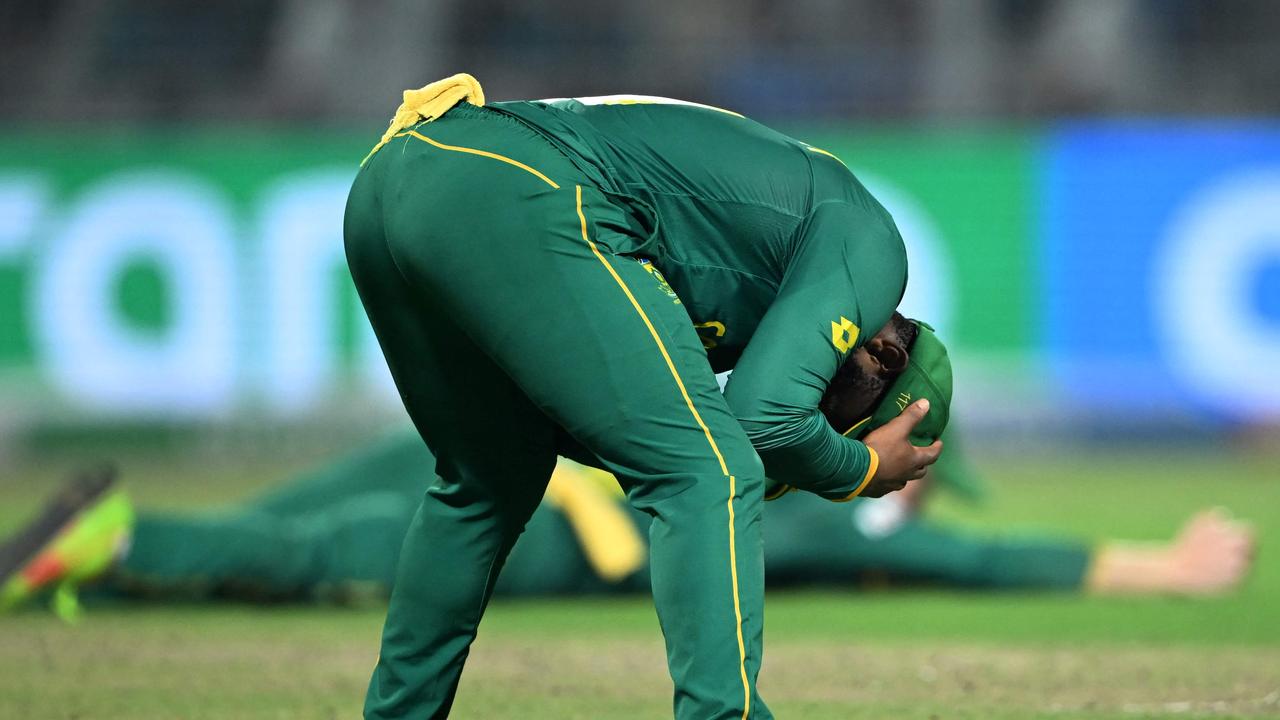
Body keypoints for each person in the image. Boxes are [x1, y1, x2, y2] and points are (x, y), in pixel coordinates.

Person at [340, 73, 949, 719]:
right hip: (514, 182)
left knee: (487, 482)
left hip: (395, 181)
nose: (820, 430)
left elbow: (606, 432)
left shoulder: (765, 286)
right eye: (842, 425)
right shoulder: (873, 247)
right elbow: (765, 423)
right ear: (881, 357)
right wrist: (862, 469)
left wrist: (797, 462)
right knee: (708, 471)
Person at [0, 426, 1253, 614]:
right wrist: (1168, 565)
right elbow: (977, 559)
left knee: (321, 534)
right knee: (322, 548)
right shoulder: (813, 500)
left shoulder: (795, 489)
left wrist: (1159, 563)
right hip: (523, 517)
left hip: (522, 499)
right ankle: (115, 548)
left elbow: (978, 557)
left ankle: (114, 552)